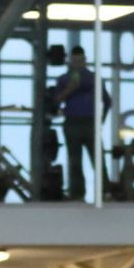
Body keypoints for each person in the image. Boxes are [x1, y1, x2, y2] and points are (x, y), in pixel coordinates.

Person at [53, 47, 108, 202]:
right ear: (71, 61)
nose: (77, 63)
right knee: (75, 160)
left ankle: (104, 191)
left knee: (97, 158)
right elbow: (56, 100)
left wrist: (101, 120)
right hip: (73, 122)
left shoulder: (94, 78)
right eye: (75, 60)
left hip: (88, 122)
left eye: (80, 60)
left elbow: (107, 101)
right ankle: (78, 194)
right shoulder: (64, 80)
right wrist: (70, 89)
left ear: (85, 60)